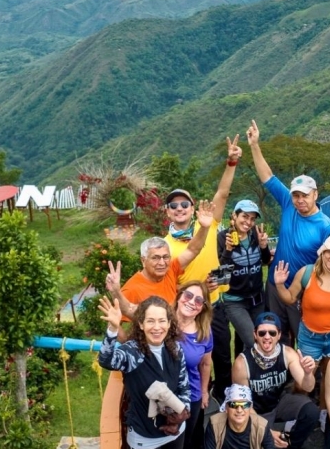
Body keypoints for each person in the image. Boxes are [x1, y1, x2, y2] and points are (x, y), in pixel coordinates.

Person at [97, 295, 191, 449]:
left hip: (175, 432)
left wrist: (182, 413)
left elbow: (184, 388)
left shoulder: (176, 349)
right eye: (150, 321)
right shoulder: (133, 352)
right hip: (145, 438)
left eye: (162, 321)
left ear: (170, 323)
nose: (156, 327)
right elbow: (106, 360)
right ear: (140, 324)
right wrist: (113, 329)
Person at [164, 137, 243, 394]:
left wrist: (231, 162)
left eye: (184, 204)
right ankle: (193, 397)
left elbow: (221, 194)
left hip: (215, 305)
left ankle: (223, 398)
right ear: (167, 212)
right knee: (186, 359)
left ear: (193, 207)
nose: (179, 208)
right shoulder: (163, 245)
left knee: (221, 353)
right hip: (185, 310)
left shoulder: (206, 223)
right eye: (173, 205)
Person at [246, 119, 330, 345]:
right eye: (296, 195)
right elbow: (267, 176)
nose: (300, 200)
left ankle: (308, 379)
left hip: (301, 290)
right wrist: (254, 145)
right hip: (275, 284)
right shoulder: (288, 203)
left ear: (315, 194)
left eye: (305, 195)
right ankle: (281, 377)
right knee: (276, 335)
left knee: (304, 337)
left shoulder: (325, 225)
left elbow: (328, 264)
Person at [232, 313, 320, 449]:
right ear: (255, 335)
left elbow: (308, 387)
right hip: (254, 412)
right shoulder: (242, 363)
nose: (267, 337)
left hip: (278, 403)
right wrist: (267, 431)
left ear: (279, 335)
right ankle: (272, 443)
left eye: (272, 333)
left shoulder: (287, 353)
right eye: (262, 333)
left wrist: (308, 373)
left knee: (311, 411)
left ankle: (293, 445)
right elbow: (241, 406)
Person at [106, 200, 216, 319]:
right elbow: (120, 326)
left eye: (165, 257)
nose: (162, 263)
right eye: (155, 258)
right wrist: (116, 293)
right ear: (143, 261)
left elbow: (193, 250)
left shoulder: (170, 269)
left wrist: (204, 227)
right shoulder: (131, 289)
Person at [273, 234, 330, 369]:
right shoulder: (307, 273)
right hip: (310, 337)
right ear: (322, 252)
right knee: (306, 376)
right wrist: (280, 285)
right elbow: (290, 298)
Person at [218, 200, 272, 358]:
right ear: (234, 215)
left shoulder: (256, 233)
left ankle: (247, 380)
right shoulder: (222, 238)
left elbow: (266, 260)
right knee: (255, 342)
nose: (248, 222)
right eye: (245, 216)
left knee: (251, 343)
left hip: (257, 299)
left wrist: (263, 246)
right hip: (235, 300)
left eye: (252, 219)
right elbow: (221, 277)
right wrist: (227, 251)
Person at [175, 281, 214, 449]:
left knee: (184, 440)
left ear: (202, 308)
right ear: (179, 296)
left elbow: (206, 364)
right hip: (162, 396)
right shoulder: (162, 323)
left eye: (199, 300)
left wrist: (204, 391)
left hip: (191, 397)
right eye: (188, 295)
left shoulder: (204, 332)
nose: (192, 302)